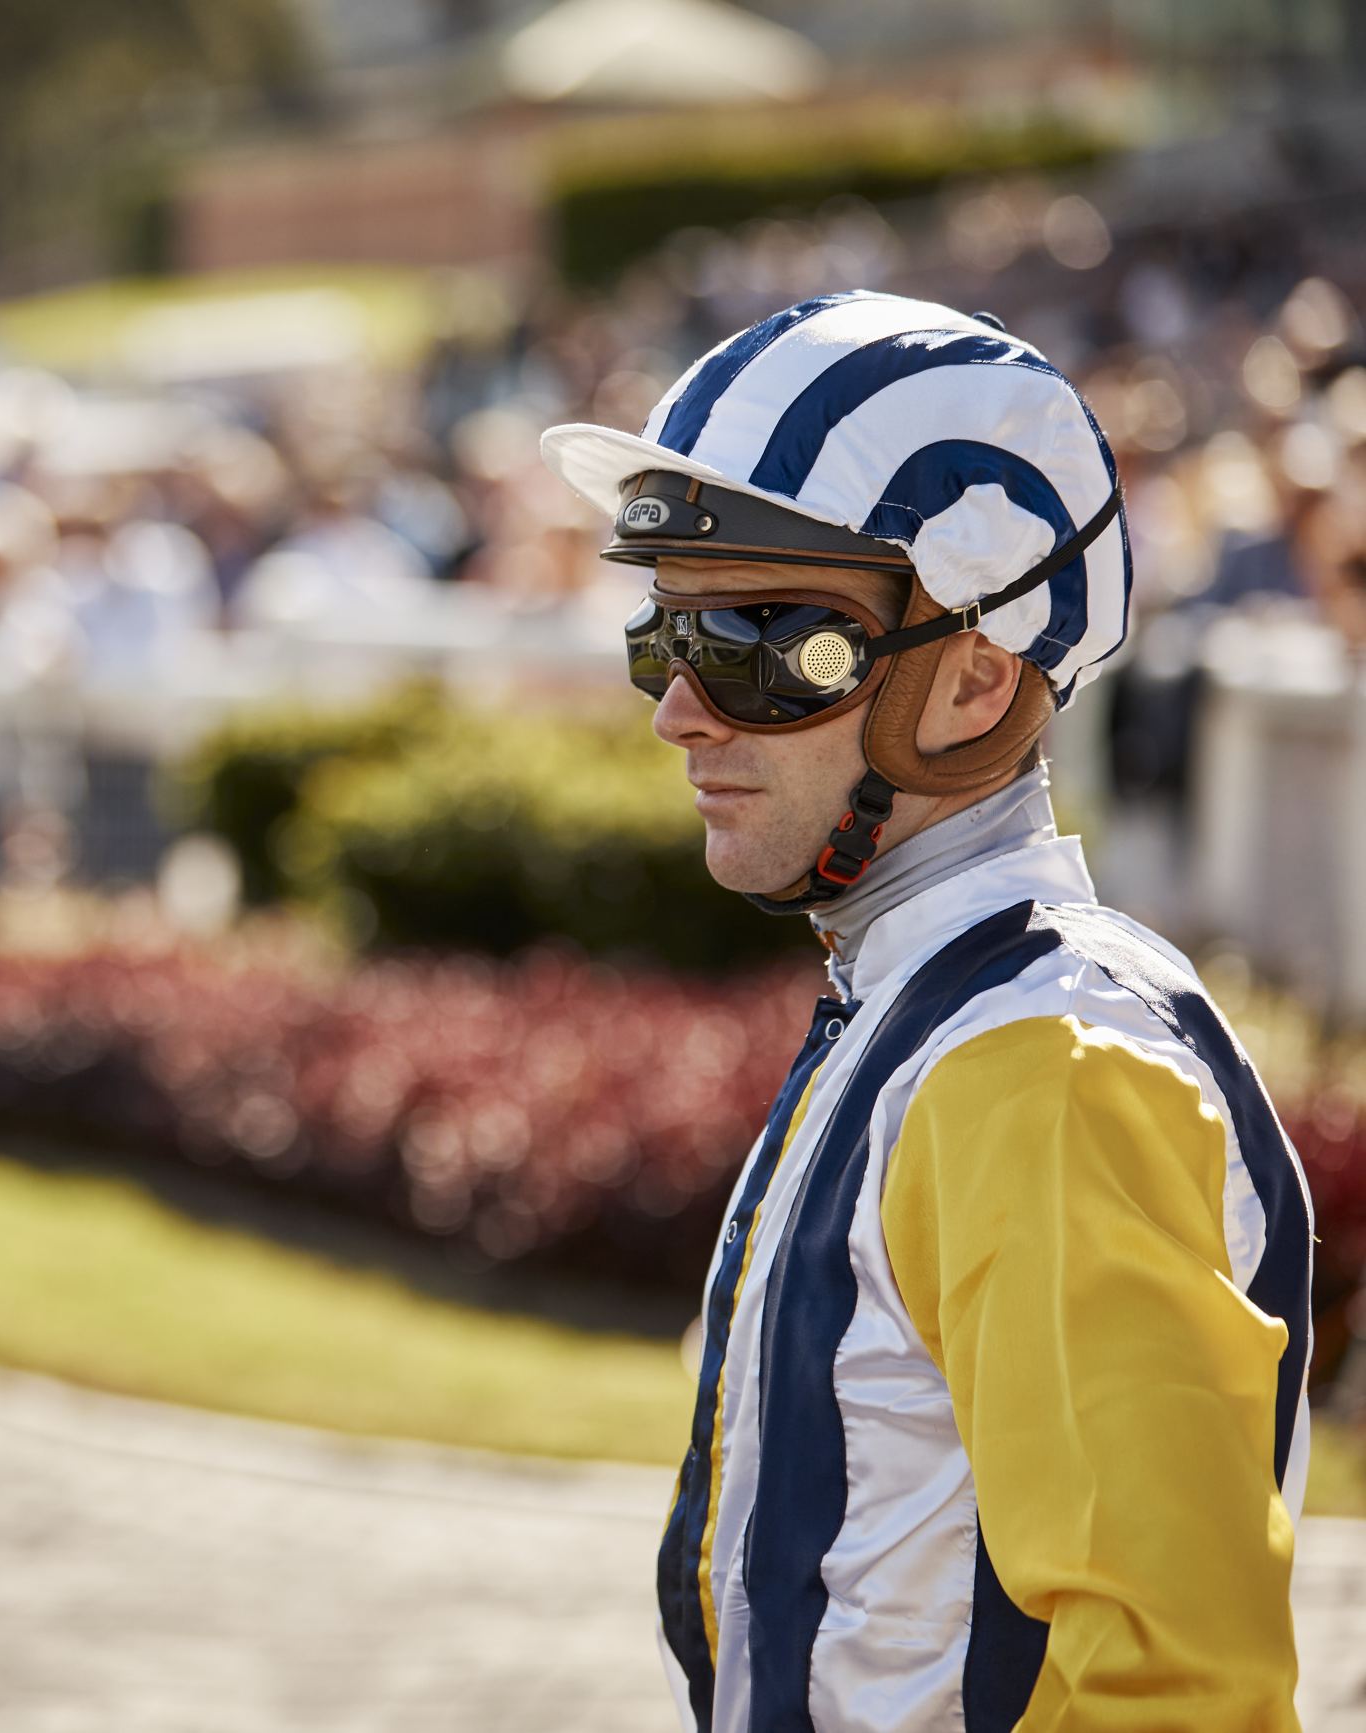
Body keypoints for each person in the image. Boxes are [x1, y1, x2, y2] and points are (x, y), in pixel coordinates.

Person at [541, 291, 1313, 1730]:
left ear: (972, 680)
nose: (679, 709)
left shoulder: (1045, 1068)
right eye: (671, 630)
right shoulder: (928, 1012)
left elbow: (1180, 1697)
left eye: (765, 639)